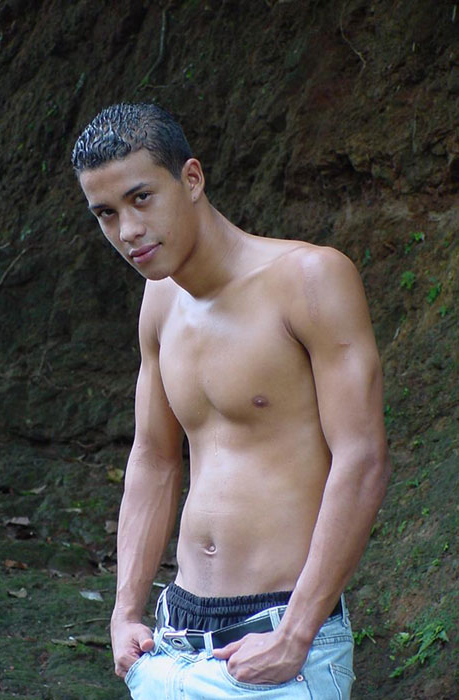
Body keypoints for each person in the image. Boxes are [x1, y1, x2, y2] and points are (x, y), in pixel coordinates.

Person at [71, 102, 390, 699]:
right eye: (106, 213)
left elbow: (363, 459)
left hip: (277, 641)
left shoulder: (309, 279)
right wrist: (125, 611)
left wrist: (296, 632)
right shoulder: (159, 302)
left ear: (191, 178)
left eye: (142, 198)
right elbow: (153, 458)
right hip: (171, 638)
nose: (128, 230)